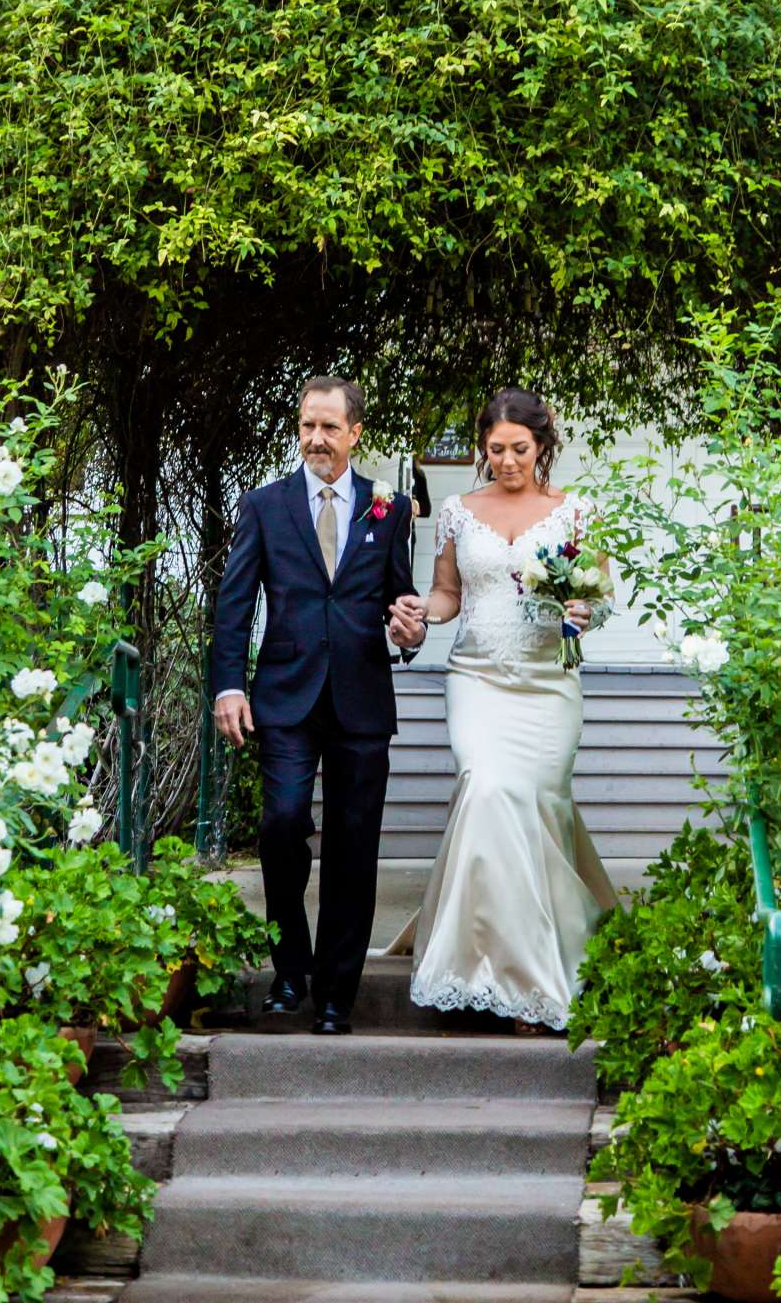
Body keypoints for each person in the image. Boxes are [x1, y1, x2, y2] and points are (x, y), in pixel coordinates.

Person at [211, 376, 423, 1035]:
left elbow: (401, 599)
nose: (316, 439)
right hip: (285, 696)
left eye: (329, 428)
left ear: (355, 433)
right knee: (281, 822)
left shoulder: (387, 510)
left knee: (356, 849)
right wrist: (228, 686)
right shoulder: (265, 506)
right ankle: (290, 965)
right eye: (307, 426)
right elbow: (235, 604)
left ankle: (336, 994)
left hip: (362, 696)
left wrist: (409, 633)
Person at [405, 387, 618, 1032]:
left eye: (518, 449)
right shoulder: (457, 511)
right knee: (491, 789)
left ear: (542, 445)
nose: (505, 461)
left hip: (549, 684)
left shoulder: (575, 511)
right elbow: (446, 595)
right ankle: (503, 975)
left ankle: (538, 967)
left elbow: (600, 597)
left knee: (537, 804)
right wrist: (418, 616)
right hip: (477, 680)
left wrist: (586, 611)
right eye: (494, 450)